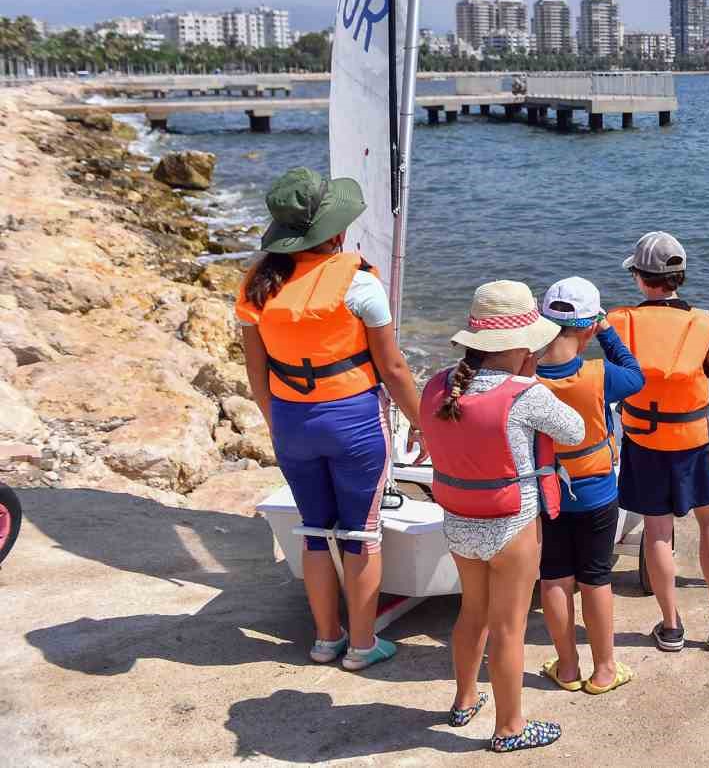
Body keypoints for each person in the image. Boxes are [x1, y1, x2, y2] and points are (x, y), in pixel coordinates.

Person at [235, 167, 422, 672]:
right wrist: (424, 422)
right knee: (362, 533)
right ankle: (362, 646)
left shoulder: (257, 285)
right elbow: (395, 368)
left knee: (314, 529)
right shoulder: (359, 286)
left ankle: (324, 639)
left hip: (292, 421)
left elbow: (257, 373)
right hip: (354, 421)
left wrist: (278, 423)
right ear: (336, 232)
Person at [417, 280, 584, 751]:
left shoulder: (439, 385)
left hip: (458, 521)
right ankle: (510, 728)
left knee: (472, 614)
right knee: (509, 628)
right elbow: (573, 431)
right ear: (522, 346)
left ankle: (464, 700)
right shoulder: (524, 394)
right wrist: (537, 380)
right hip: (511, 526)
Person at [608, 231, 709, 652]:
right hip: (693, 439)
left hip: (642, 438)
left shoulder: (619, 321)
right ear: (680, 277)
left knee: (658, 532)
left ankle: (671, 626)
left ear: (640, 279)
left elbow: (617, 374)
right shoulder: (704, 323)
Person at [532, 277, 645, 696]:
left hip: (548, 492)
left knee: (555, 578)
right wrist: (608, 332)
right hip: (595, 489)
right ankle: (603, 670)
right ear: (589, 324)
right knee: (596, 577)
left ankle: (566, 667)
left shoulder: (527, 373)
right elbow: (637, 376)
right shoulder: (599, 375)